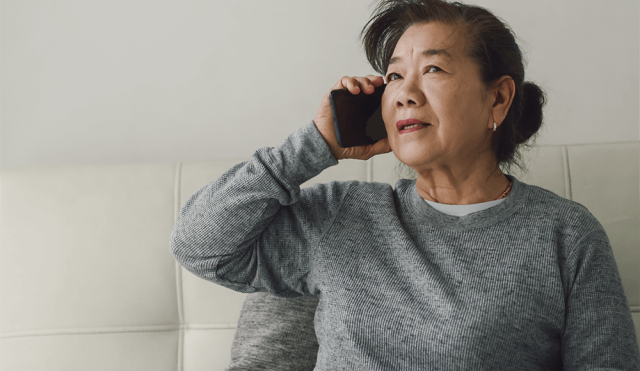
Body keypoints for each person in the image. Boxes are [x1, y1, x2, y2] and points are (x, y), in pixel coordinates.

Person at [170, 0, 640, 369]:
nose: (405, 93)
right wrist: (315, 145)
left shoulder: (566, 235)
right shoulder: (342, 214)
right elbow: (198, 244)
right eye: (394, 75)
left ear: (497, 99)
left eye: (432, 69)